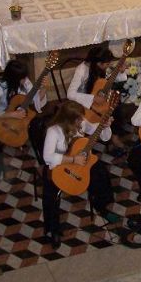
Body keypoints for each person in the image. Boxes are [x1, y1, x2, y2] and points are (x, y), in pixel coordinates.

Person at [41, 101, 118, 249]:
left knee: (102, 174)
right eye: (78, 119)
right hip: (59, 166)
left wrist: (106, 126)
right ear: (68, 119)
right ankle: (53, 230)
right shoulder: (54, 131)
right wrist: (73, 159)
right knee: (50, 196)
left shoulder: (81, 124)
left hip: (80, 162)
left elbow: (101, 134)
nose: (82, 120)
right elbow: (47, 157)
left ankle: (102, 206)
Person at [0, 60, 47, 185]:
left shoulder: (26, 81)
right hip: (3, 116)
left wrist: (43, 88)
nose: (25, 80)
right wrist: (12, 114)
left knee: (39, 127)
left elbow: (36, 101)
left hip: (23, 116)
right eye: (22, 78)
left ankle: (44, 164)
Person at [68, 45, 128, 155]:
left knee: (117, 108)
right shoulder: (81, 70)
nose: (108, 66)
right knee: (106, 113)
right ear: (98, 63)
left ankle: (113, 137)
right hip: (83, 102)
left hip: (97, 100)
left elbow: (106, 81)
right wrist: (93, 98)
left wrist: (120, 72)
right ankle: (90, 143)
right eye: (106, 64)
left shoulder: (98, 67)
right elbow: (70, 94)